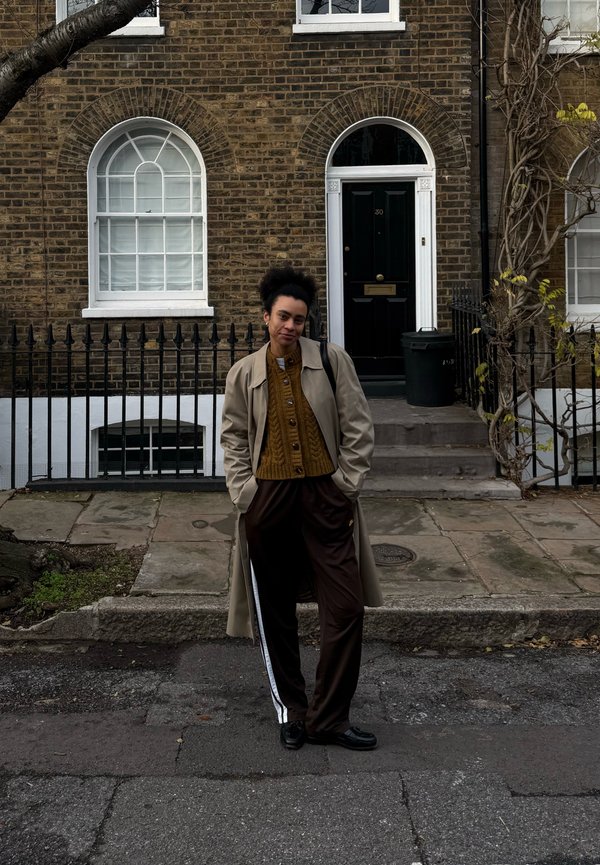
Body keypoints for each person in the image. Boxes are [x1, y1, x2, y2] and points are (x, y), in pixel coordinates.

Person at [220, 265, 383, 751]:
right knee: (275, 612)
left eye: (300, 319)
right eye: (283, 317)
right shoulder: (243, 372)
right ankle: (293, 711)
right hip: (267, 500)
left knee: (346, 606)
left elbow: (359, 425)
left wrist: (345, 484)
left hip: (324, 498)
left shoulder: (332, 361)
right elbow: (232, 436)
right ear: (265, 316)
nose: (291, 326)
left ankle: (329, 718)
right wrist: (243, 491)